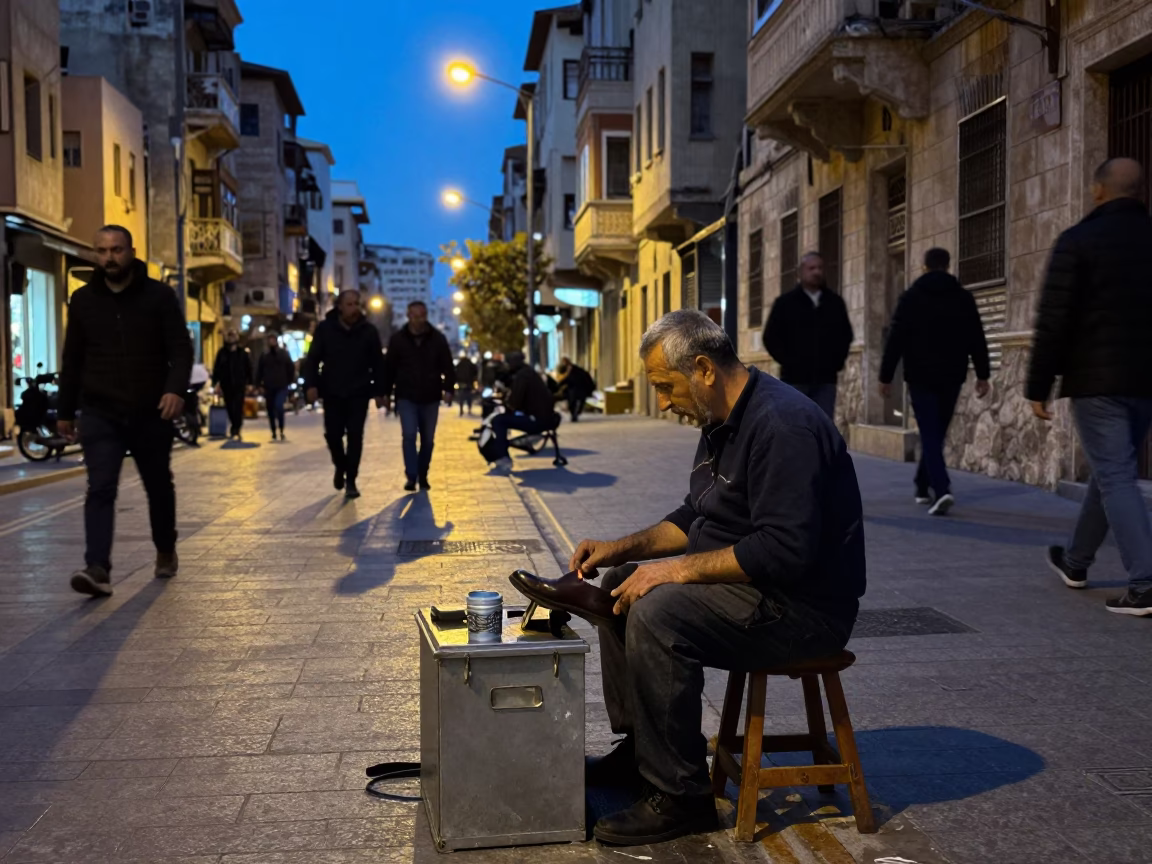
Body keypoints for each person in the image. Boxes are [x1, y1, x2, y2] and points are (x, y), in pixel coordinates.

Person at [568, 310, 864, 846]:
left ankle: (682, 797)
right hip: (757, 588)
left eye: (665, 386)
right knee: (619, 587)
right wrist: (623, 549)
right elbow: (695, 517)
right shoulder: (719, 418)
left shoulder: (783, 425)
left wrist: (675, 571)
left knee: (657, 611)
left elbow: (784, 550)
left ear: (702, 368)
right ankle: (643, 753)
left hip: (803, 608)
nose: (662, 401)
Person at [1030, 157, 1152, 617]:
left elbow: (1054, 318)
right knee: (1111, 469)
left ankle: (1144, 583)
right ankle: (1076, 562)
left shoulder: (1078, 240)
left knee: (1117, 474)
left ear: (1099, 190)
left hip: (1097, 381)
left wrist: (1038, 385)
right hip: (1145, 381)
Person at [57, 225, 193, 597]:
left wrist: (174, 390)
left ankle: (165, 548)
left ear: (131, 252)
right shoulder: (83, 300)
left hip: (151, 410)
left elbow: (180, 349)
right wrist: (65, 410)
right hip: (100, 410)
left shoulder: (159, 297)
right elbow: (73, 359)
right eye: (102, 251)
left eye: (116, 250)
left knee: (158, 486)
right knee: (100, 487)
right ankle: (97, 568)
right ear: (94, 254)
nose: (109, 258)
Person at [879, 247, 991, 515]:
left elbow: (895, 338)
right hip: (952, 375)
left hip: (920, 376)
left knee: (931, 432)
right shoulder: (963, 298)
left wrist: (885, 376)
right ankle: (925, 484)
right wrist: (983, 374)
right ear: (948, 265)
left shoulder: (911, 297)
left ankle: (939, 489)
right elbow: (977, 335)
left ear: (924, 267)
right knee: (936, 432)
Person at [303, 289, 388, 500]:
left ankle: (351, 479)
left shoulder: (368, 331)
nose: (354, 308)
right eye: (349, 304)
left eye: (356, 304)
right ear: (339, 306)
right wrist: (311, 385)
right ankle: (340, 466)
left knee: (355, 436)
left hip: (358, 392)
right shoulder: (325, 329)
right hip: (332, 391)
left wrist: (380, 392)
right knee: (333, 435)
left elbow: (378, 364)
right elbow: (313, 359)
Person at [763, 251, 854, 419]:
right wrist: (789, 361)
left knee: (822, 426)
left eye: (820, 268)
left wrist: (836, 363)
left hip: (825, 380)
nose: (816, 272)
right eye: (811, 268)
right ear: (801, 272)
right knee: (795, 425)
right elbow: (770, 337)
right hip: (794, 380)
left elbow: (845, 336)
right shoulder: (785, 303)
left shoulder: (834, 303)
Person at [382, 300, 455, 492]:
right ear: (408, 317)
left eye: (422, 316)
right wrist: (385, 394)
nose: (418, 320)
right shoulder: (398, 339)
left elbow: (448, 365)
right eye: (415, 316)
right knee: (409, 435)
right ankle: (411, 475)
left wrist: (448, 389)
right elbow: (389, 368)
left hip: (430, 395)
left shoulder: (437, 338)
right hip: (406, 395)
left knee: (428, 439)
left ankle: (423, 474)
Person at [486, 351, 557, 475]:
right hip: (544, 418)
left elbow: (514, 403)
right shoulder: (529, 373)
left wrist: (506, 398)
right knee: (503, 418)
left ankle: (504, 459)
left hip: (537, 420)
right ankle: (504, 451)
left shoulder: (522, 376)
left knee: (498, 421)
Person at [212, 329, 251, 440]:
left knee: (238, 407)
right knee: (229, 407)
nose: (232, 337)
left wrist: (250, 383)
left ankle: (236, 428)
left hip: (239, 385)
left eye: (233, 335)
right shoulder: (222, 353)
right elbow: (217, 368)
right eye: (230, 335)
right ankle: (234, 426)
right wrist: (215, 383)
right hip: (226, 384)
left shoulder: (242, 353)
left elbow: (248, 368)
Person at [257, 332, 296, 441]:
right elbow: (260, 371)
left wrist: (289, 382)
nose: (271, 341)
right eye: (270, 339)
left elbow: (290, 369)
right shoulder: (264, 355)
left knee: (279, 406)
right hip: (268, 387)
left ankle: (281, 429)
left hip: (281, 386)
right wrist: (258, 384)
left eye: (273, 339)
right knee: (270, 410)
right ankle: (273, 431)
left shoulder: (283, 354)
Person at [557, 356, 595, 422]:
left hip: (579, 388)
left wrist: (559, 384)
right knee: (573, 400)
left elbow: (569, 379)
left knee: (573, 399)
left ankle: (575, 414)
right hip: (577, 388)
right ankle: (575, 414)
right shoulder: (570, 370)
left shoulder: (574, 370)